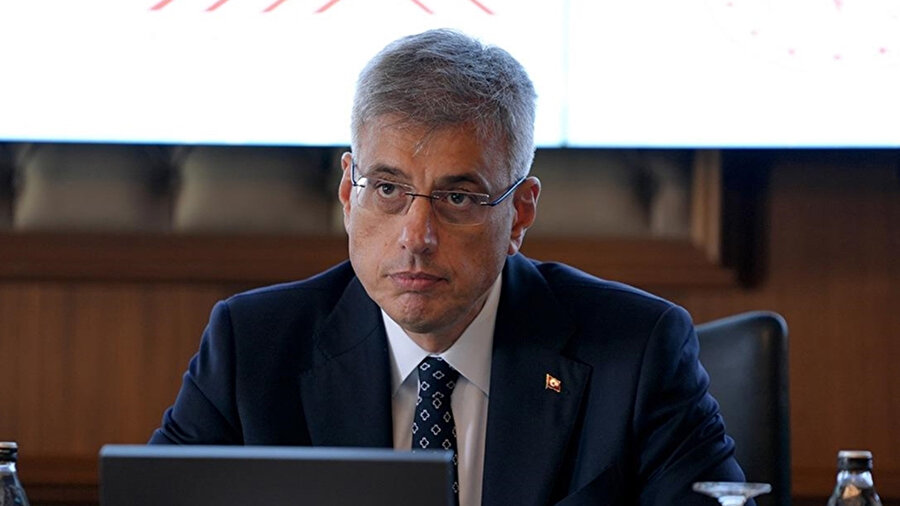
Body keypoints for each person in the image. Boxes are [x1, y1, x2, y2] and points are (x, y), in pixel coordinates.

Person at [150, 28, 751, 505]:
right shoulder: (252, 349)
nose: (417, 237)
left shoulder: (637, 352)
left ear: (519, 212)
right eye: (388, 189)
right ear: (348, 194)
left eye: (458, 198)